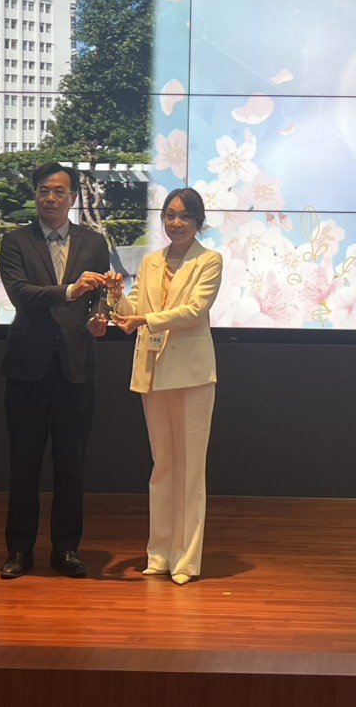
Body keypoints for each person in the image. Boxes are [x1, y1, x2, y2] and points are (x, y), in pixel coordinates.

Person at [0, 162, 112, 580]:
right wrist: (69, 291)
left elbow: (100, 297)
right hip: (27, 366)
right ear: (35, 195)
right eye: (44, 190)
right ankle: (19, 550)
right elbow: (19, 293)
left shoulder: (93, 242)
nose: (50, 198)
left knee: (71, 463)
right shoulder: (15, 241)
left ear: (73, 198)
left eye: (59, 191)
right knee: (23, 463)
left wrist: (100, 316)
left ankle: (66, 549)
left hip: (76, 366)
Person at [111, 187, 223, 586]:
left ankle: (186, 560)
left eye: (185, 216)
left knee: (190, 470)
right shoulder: (151, 261)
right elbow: (134, 310)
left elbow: (194, 311)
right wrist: (116, 295)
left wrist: (144, 320)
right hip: (154, 373)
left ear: (198, 222)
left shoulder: (209, 261)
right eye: (170, 216)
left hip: (192, 377)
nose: (176, 223)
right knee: (163, 467)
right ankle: (158, 554)